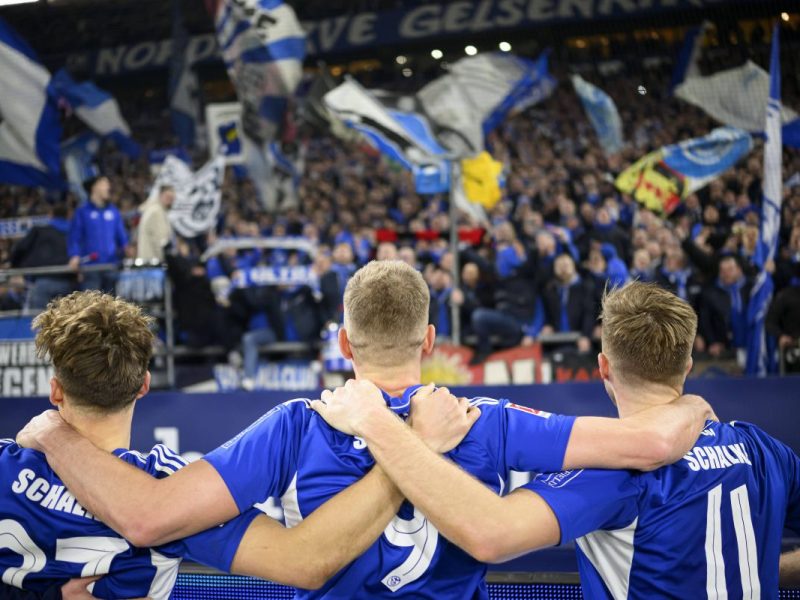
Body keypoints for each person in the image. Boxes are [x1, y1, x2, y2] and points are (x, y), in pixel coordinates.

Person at [17, 262, 712, 599]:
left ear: (343, 343)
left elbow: (153, 515)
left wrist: (50, 429)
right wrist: (694, 407)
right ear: (431, 337)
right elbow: (648, 444)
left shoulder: (294, 426)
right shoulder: (486, 422)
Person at [313, 282, 800, 596]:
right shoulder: (761, 450)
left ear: (603, 367)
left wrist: (382, 426)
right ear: (688, 366)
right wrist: (757, 572)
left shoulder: (615, 474)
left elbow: (491, 533)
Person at [6, 291, 446, 596]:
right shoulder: (167, 489)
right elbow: (303, 561)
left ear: (56, 390)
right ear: (143, 386)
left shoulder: (6, 464)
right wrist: (407, 451)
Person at [67, 177, 128, 293]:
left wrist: (127, 248)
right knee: (92, 306)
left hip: (111, 266)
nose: (108, 187)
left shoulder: (114, 211)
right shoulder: (82, 212)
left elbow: (122, 236)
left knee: (112, 306)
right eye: (104, 184)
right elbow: (75, 236)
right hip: (90, 267)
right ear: (94, 187)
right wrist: (74, 255)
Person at [10, 205, 74, 310]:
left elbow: (20, 248)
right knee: (64, 320)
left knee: (39, 320)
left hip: (42, 280)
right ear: (68, 216)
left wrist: (15, 267)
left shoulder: (39, 230)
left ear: (51, 215)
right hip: (66, 281)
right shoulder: (73, 232)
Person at [136, 185, 175, 262]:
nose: (170, 201)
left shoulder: (153, 209)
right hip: (153, 263)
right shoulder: (157, 212)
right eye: (167, 197)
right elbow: (162, 242)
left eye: (172, 198)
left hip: (148, 261)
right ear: (160, 195)